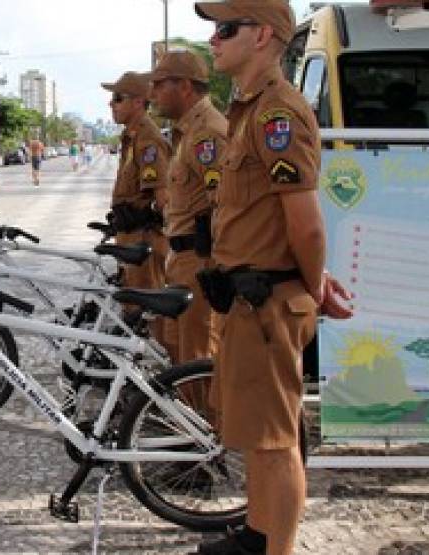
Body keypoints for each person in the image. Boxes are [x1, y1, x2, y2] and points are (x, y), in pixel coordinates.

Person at [192, 2, 348, 553]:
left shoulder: (279, 113)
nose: (213, 40)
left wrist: (313, 286)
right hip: (248, 300)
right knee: (259, 436)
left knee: (277, 441)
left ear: (261, 36)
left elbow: (305, 225)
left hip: (269, 303)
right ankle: (257, 535)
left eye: (224, 29)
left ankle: (274, 548)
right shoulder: (248, 110)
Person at [149, 50, 228, 374]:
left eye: (158, 85)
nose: (152, 94)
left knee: (196, 356)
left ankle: (207, 425)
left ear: (183, 86)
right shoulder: (187, 132)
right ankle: (189, 421)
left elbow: (224, 202)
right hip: (181, 258)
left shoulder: (207, 132)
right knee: (178, 349)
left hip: (199, 259)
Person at [102, 70, 172, 348]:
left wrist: (140, 214)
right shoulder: (131, 136)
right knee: (132, 305)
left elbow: (164, 198)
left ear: (139, 102)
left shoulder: (148, 139)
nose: (112, 104)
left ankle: (159, 375)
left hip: (144, 238)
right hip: (130, 235)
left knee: (147, 309)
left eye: (119, 98)